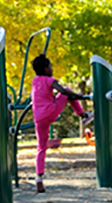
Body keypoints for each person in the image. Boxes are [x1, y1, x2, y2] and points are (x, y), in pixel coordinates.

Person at [30, 54, 93, 193]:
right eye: (50, 66)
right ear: (46, 69)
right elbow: (62, 91)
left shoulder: (35, 80)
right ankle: (83, 115)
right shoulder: (49, 80)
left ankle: (39, 177)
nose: (52, 69)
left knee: (41, 147)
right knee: (68, 92)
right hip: (51, 112)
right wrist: (78, 96)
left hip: (38, 117)